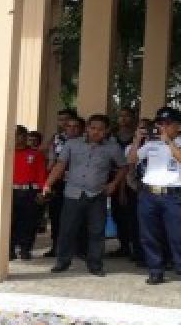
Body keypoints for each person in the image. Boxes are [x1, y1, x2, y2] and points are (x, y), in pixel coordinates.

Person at [41, 114, 126, 276]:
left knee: (96, 231)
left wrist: (113, 184)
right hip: (73, 193)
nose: (96, 132)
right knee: (67, 229)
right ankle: (62, 261)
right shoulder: (72, 144)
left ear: (106, 131)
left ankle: (95, 264)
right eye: (93, 128)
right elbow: (60, 165)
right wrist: (47, 184)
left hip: (97, 195)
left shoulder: (112, 148)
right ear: (87, 128)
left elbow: (123, 166)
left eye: (100, 129)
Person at [129, 107, 181, 288]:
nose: (163, 127)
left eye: (168, 124)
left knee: (178, 236)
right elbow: (131, 159)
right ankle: (155, 271)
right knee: (149, 235)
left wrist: (168, 142)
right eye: (160, 123)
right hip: (149, 194)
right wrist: (137, 140)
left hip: (172, 196)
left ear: (178, 126)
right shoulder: (151, 144)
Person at [11, 125, 48, 260]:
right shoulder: (7, 153)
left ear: (26, 137)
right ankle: (10, 250)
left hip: (30, 192)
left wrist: (42, 191)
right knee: (11, 222)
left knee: (29, 223)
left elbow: (41, 174)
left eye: (20, 135)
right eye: (14, 135)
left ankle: (25, 249)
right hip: (11, 191)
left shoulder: (35, 154)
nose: (17, 138)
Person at [44, 109, 77, 257]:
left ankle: (74, 247)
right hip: (58, 181)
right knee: (56, 214)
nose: (64, 123)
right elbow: (50, 159)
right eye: (61, 120)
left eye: (67, 120)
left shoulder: (82, 140)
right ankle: (56, 246)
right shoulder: (56, 138)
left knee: (74, 216)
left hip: (76, 182)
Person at [110, 108, 139, 260]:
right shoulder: (111, 136)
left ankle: (136, 248)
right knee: (117, 214)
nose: (124, 119)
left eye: (127, 116)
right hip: (113, 178)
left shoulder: (137, 137)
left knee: (132, 215)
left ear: (133, 118)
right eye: (121, 115)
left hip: (132, 179)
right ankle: (124, 246)